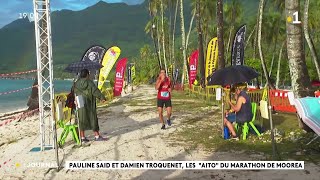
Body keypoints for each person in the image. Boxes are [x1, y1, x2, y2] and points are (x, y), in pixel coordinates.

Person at [74, 69, 107, 142]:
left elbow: (73, 92)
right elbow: (95, 91)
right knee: (93, 118)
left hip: (80, 103)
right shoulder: (90, 82)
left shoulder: (76, 83)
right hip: (89, 103)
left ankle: (82, 137)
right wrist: (102, 98)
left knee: (81, 119)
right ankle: (97, 136)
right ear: (87, 75)